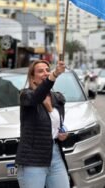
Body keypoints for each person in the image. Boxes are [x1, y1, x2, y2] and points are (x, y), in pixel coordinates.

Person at [15, 59, 70, 188]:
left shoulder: (57, 98)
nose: (45, 73)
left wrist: (63, 132)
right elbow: (38, 96)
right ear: (32, 78)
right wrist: (54, 74)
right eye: (40, 71)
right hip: (33, 158)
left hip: (55, 155)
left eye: (47, 70)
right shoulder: (26, 95)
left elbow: (56, 123)